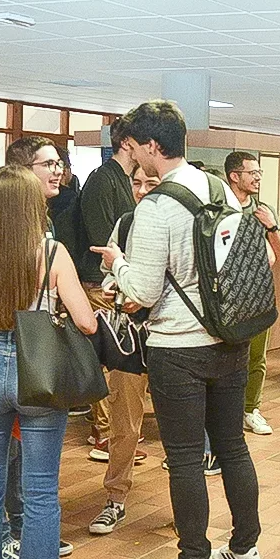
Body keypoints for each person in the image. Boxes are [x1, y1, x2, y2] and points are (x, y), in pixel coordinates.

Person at [93, 100, 264, 559]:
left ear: (151, 146)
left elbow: (141, 293)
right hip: (229, 339)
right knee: (232, 446)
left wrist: (118, 262)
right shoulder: (219, 190)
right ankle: (245, 550)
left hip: (177, 348)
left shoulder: (155, 207)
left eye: (133, 148)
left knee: (186, 457)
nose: (134, 160)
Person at [0, 165, 97, 559]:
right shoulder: (51, 253)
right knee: (41, 490)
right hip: (39, 373)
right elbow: (86, 323)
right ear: (32, 207)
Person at [88, 166, 160, 535]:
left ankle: (190, 507)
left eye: (152, 183)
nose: (142, 190)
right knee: (124, 424)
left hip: (172, 338)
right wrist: (114, 289)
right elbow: (110, 272)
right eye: (137, 183)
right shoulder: (126, 224)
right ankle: (115, 499)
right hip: (128, 338)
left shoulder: (179, 223)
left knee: (183, 426)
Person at [78, 118, 137, 453]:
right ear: (127, 142)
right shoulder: (103, 180)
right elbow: (104, 242)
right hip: (102, 284)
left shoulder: (126, 180)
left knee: (120, 360)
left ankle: (116, 431)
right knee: (107, 358)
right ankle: (103, 432)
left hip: (120, 282)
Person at [225, 150, 280, 436]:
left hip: (258, 294)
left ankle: (251, 408)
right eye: (252, 173)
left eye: (259, 172)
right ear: (234, 176)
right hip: (227, 297)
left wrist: (271, 226)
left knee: (257, 357)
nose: (258, 177)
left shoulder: (262, 209)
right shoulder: (220, 208)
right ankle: (227, 414)